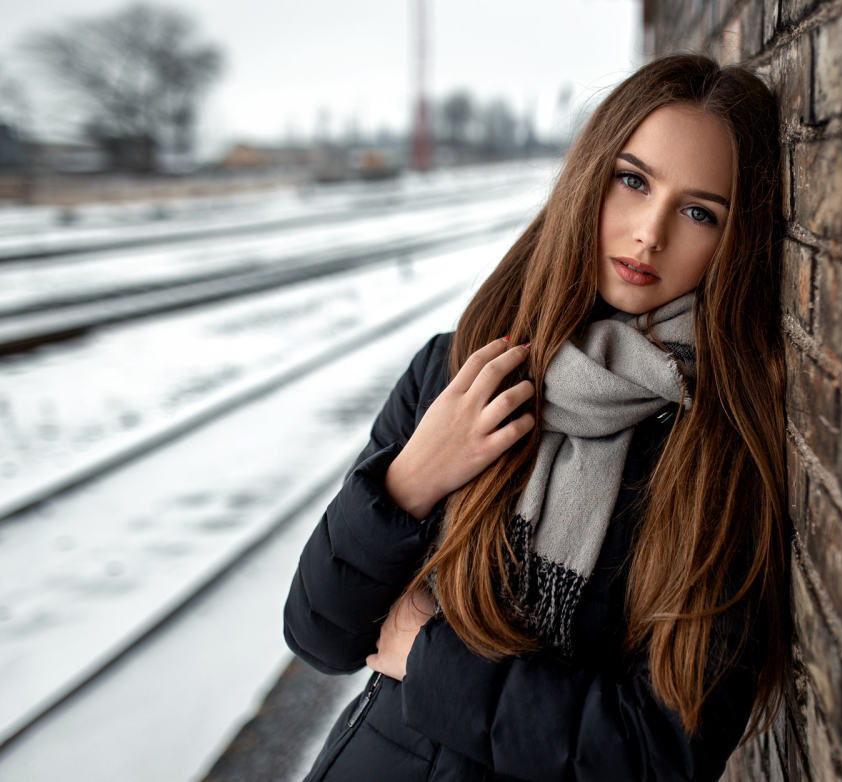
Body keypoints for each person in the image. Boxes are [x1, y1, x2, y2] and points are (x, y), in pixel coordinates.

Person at [283, 54, 788, 782]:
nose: (650, 233)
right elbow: (320, 633)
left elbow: (669, 750)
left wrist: (432, 665)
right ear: (590, 177)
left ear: (733, 243)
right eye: (634, 181)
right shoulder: (460, 370)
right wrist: (408, 484)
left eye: (698, 211)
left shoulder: (716, 448)